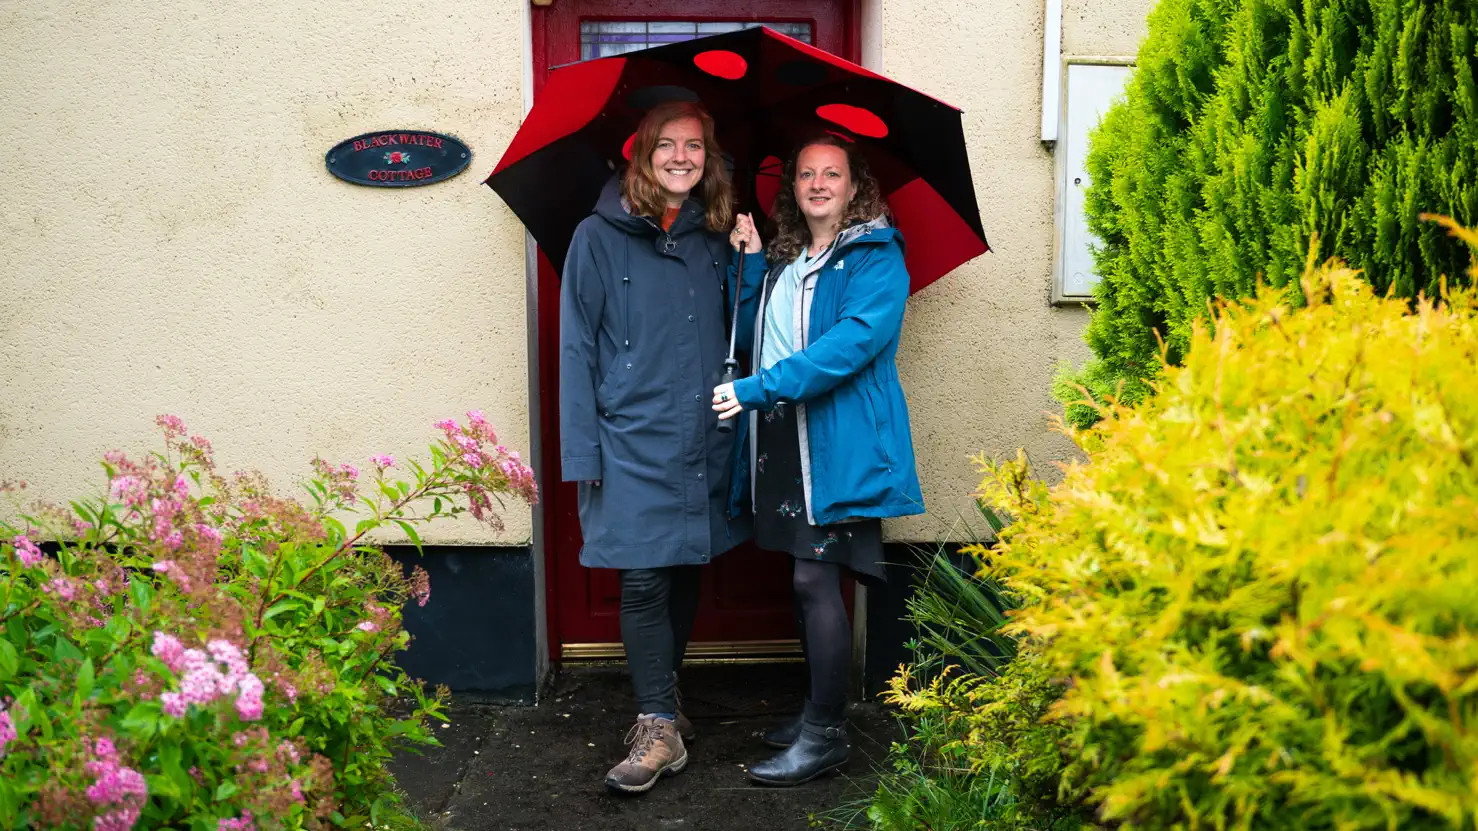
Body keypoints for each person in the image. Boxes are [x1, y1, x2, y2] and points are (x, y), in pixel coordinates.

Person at [712, 134, 924, 786]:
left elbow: (848, 348)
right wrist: (748, 265)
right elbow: (755, 336)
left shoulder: (874, 258)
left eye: (832, 173)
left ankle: (825, 733)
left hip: (838, 442)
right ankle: (814, 711)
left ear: (855, 184)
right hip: (786, 441)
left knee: (815, 579)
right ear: (793, 188)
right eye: (807, 173)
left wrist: (754, 390)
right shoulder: (787, 259)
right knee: (802, 581)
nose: (818, 183)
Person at [560, 100, 749, 794]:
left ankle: (666, 704)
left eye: (694, 146)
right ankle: (656, 724)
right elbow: (576, 347)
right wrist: (583, 454)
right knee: (642, 575)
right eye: (665, 145)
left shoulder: (718, 235)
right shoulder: (596, 237)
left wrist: (749, 264)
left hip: (704, 431)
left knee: (684, 562)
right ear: (641, 155)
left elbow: (748, 327)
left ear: (709, 158)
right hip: (629, 437)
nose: (680, 157)